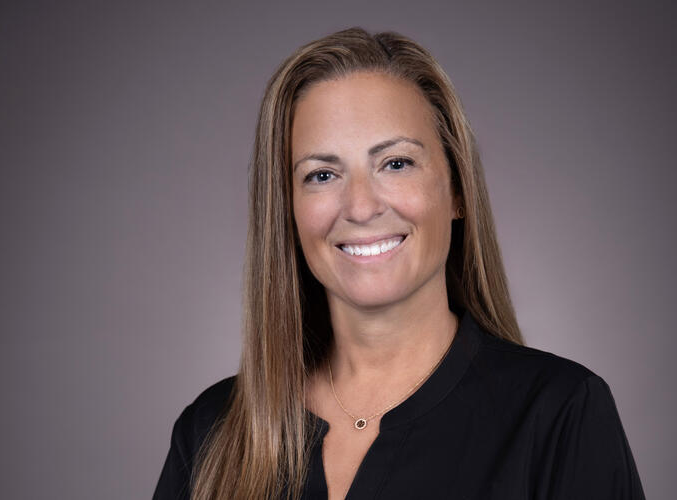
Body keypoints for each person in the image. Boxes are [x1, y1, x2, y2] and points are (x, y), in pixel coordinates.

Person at [153, 27, 645, 500]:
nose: (361, 206)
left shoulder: (558, 413)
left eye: (396, 163)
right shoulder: (210, 432)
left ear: (457, 190)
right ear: (286, 211)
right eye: (322, 174)